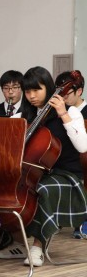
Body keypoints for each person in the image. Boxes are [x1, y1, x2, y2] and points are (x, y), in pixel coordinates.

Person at [0, 67, 87, 265]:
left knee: (42, 189)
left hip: (66, 174)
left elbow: (83, 146)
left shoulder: (71, 112)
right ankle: (19, 243)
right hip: (37, 171)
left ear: (49, 88)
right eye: (28, 91)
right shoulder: (26, 115)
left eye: (37, 90)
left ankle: (38, 246)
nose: (32, 96)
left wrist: (63, 114)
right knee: (5, 185)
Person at [55, 70, 87, 238]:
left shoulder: (77, 112)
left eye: (66, 93)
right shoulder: (54, 111)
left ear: (79, 91)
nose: (62, 96)